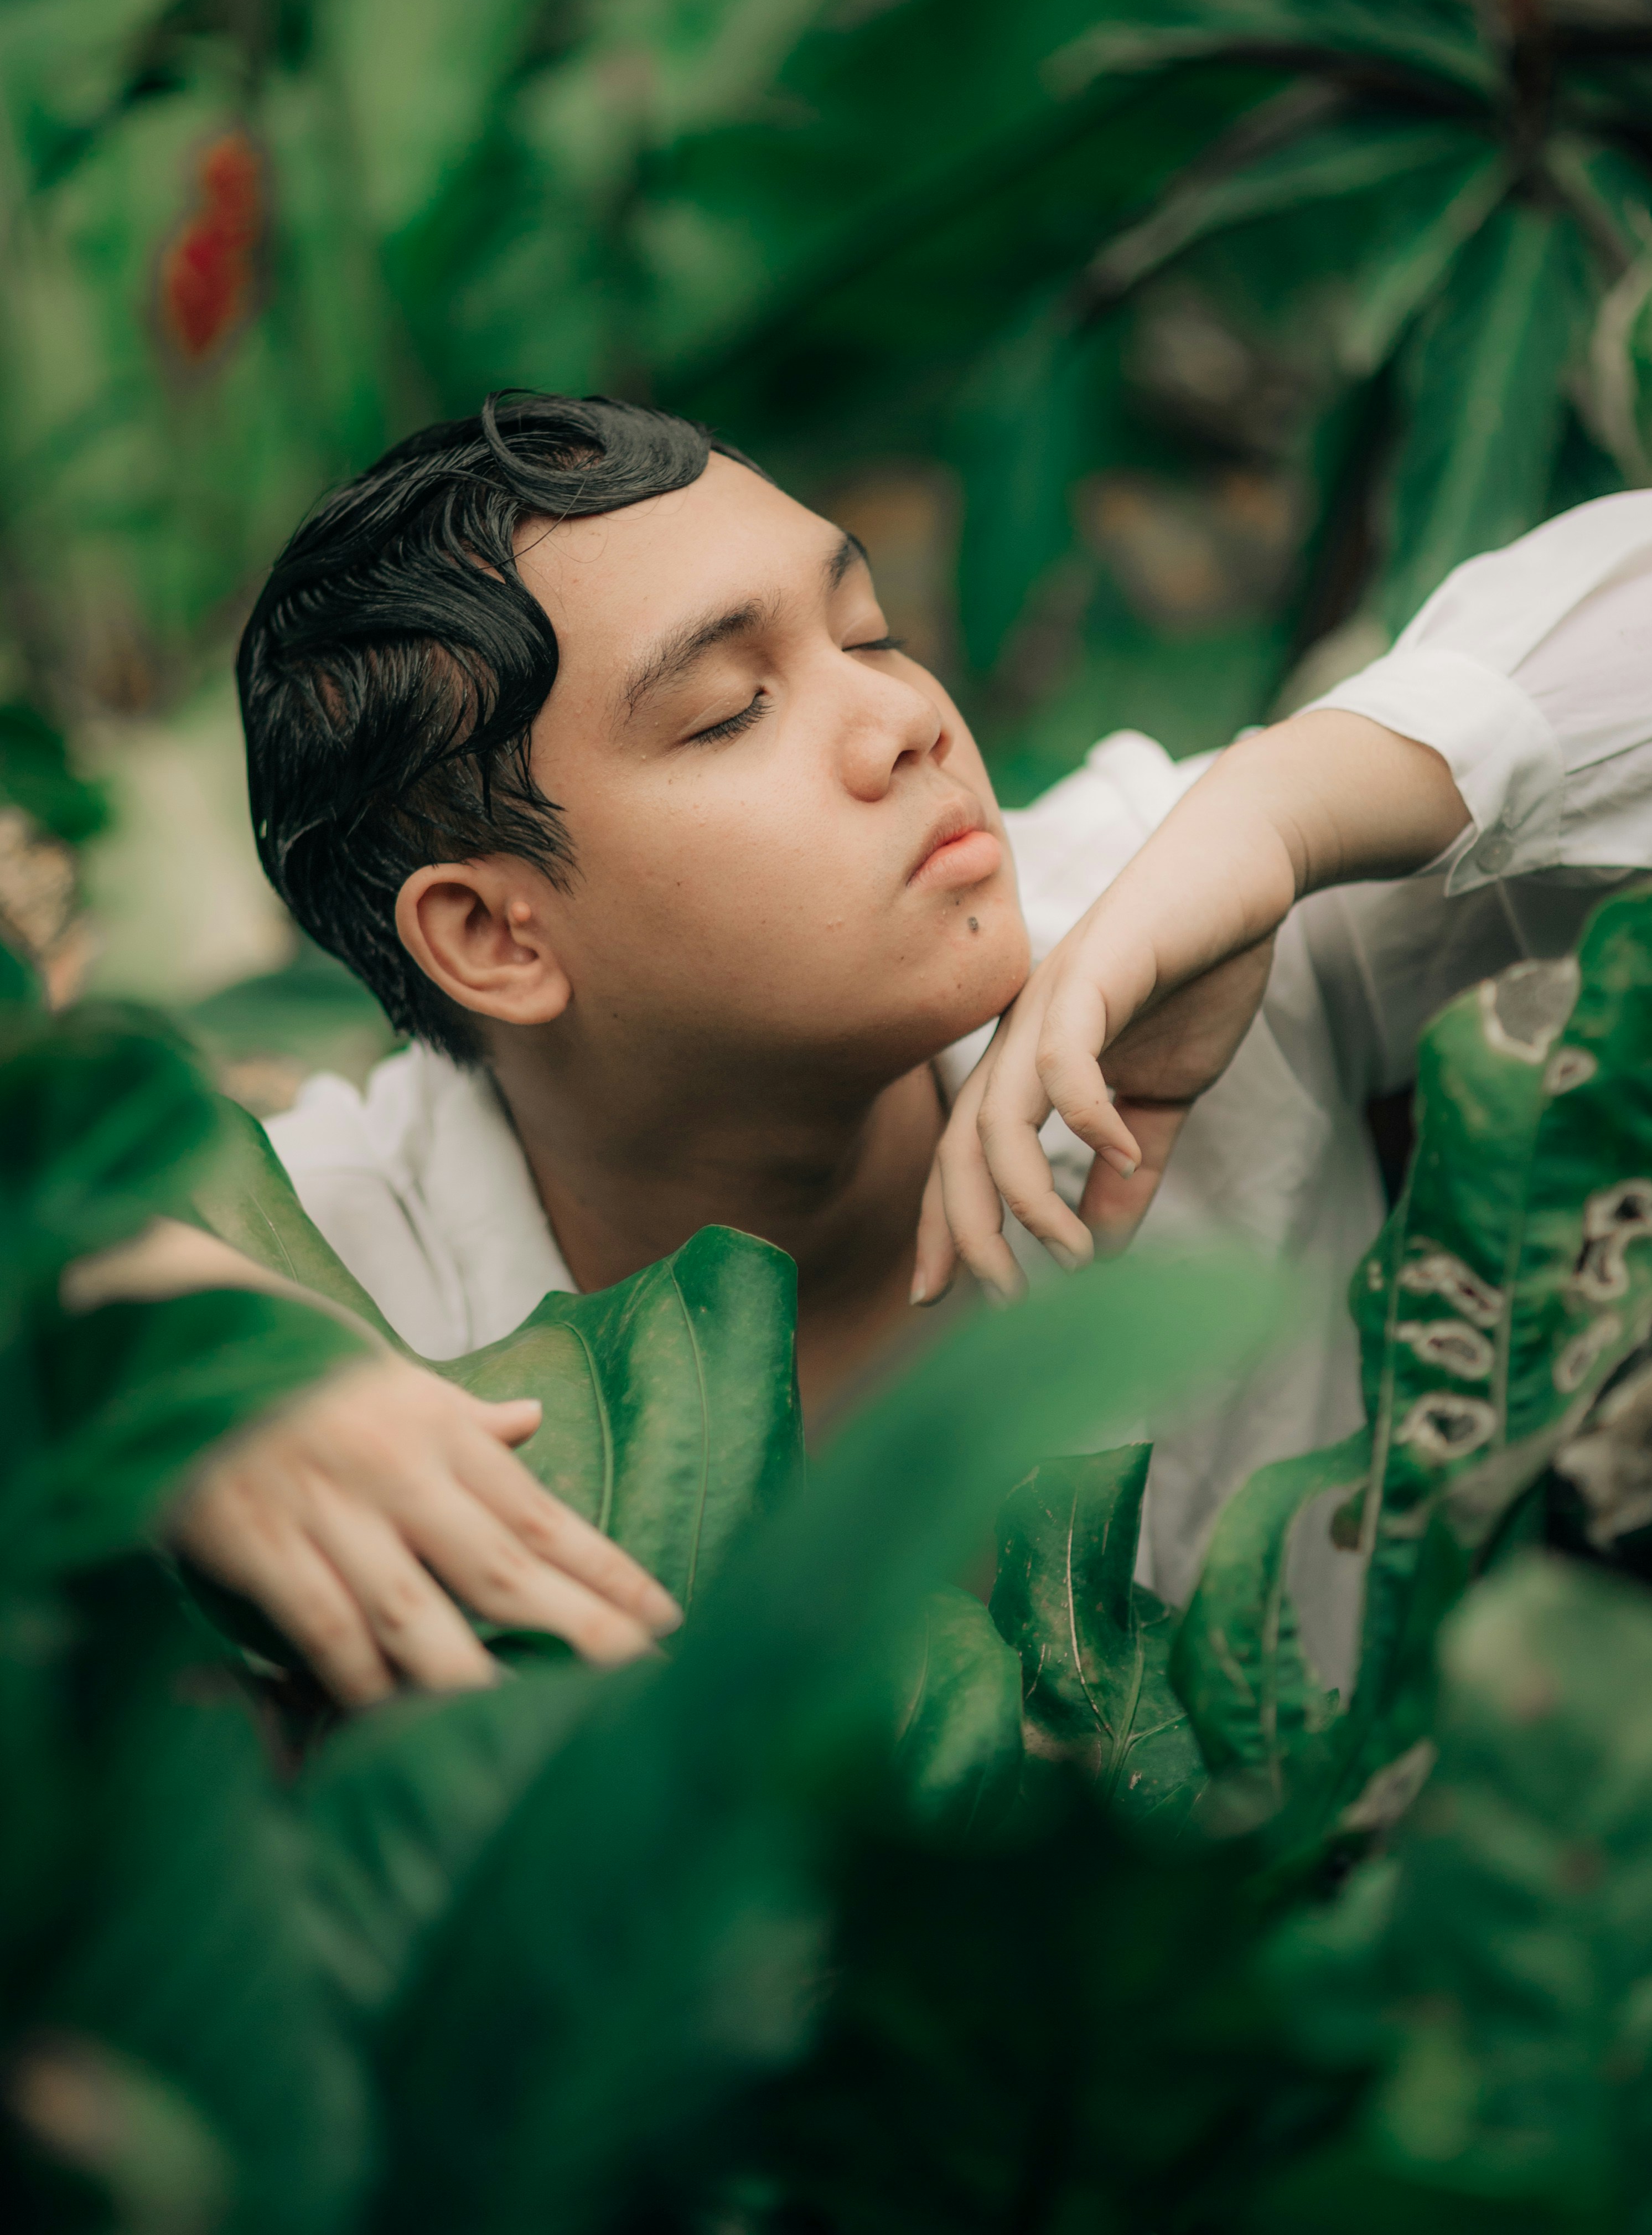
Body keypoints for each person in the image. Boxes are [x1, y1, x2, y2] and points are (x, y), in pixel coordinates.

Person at [178, 394, 1651, 1701]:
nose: (900, 718)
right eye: (728, 712)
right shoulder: (347, 1282)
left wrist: (1288, 808)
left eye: (866, 631)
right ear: (496, 937)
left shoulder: (1171, 916)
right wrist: (179, 1367)